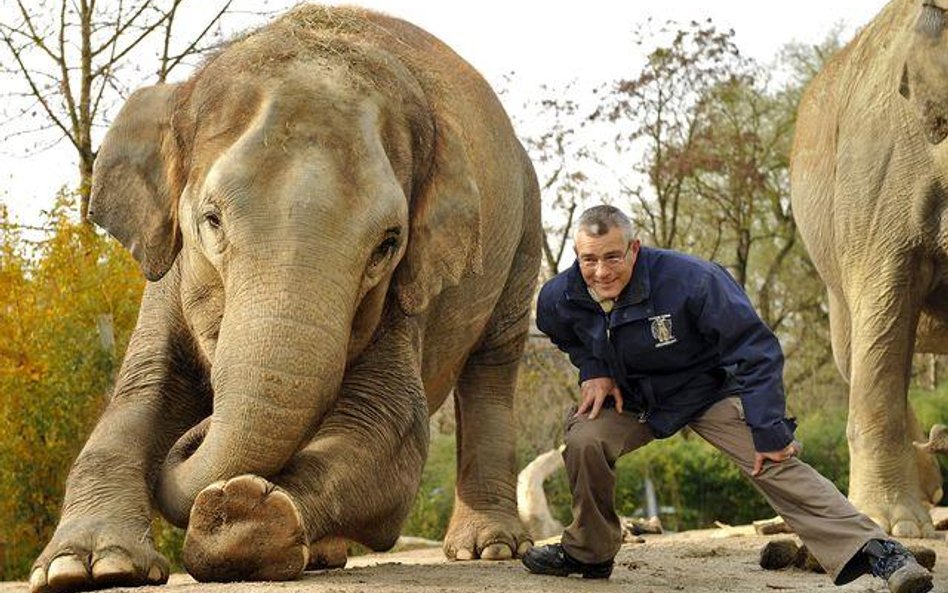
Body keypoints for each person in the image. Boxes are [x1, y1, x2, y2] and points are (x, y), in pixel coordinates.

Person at [521, 205, 933, 593]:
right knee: (584, 441)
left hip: (707, 387)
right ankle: (589, 553)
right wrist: (594, 369)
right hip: (632, 396)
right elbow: (565, 334)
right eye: (589, 260)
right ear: (576, 255)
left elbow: (756, 350)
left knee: (771, 459)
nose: (600, 271)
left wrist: (768, 428)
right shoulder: (560, 296)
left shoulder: (693, 280)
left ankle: (878, 552)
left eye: (612, 257)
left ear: (635, 248)